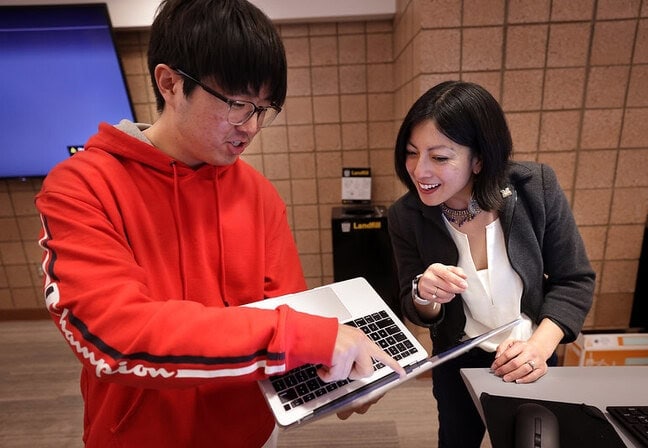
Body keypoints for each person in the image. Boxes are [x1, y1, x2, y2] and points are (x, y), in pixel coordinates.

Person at [34, 1, 403, 447]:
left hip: (251, 432)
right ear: (170, 83)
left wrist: (335, 379)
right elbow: (115, 336)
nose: (251, 127)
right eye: (238, 104)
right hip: (138, 435)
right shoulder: (83, 186)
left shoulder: (258, 193)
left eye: (264, 108)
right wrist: (304, 337)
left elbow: (287, 311)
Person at [387, 81, 595, 448]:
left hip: (532, 355)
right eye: (411, 152)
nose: (420, 171)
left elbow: (574, 280)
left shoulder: (536, 188)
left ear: (479, 158)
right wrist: (425, 293)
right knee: (456, 440)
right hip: (457, 362)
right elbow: (414, 305)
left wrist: (539, 347)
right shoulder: (407, 215)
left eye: (440, 157)